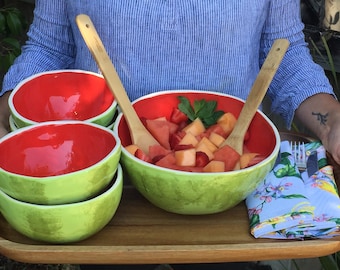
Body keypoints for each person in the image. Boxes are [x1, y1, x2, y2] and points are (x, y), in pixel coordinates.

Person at [1, 0, 340, 166]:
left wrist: (332, 123)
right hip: (104, 167)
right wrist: (4, 114)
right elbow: (50, 48)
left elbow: (283, 52)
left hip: (229, 172)